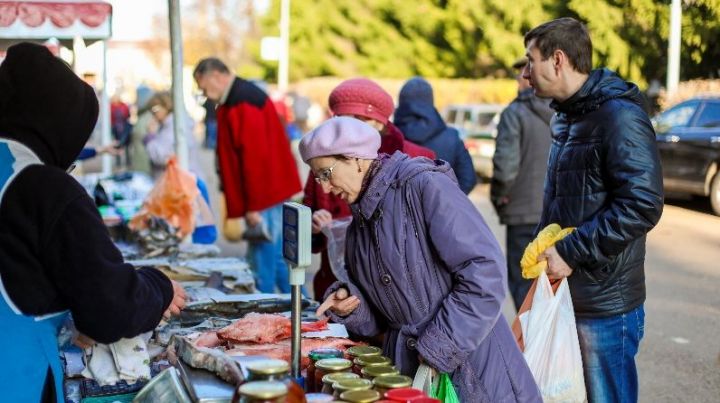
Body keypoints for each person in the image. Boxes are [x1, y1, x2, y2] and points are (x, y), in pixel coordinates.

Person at [302, 117, 541, 402]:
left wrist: (438, 346)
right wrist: (351, 306)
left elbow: (486, 273)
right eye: (318, 178)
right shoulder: (358, 227)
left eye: (327, 173)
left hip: (476, 369)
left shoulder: (423, 186)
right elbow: (383, 321)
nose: (325, 188)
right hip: (413, 375)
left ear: (355, 159)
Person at [0, 42, 186, 403]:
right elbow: (111, 308)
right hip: (14, 378)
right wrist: (159, 286)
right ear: (59, 123)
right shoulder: (41, 184)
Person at [522, 18, 664, 402]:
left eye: (529, 61)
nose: (524, 73)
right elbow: (562, 205)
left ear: (558, 60)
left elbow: (643, 204)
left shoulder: (619, 116)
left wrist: (570, 251)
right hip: (569, 294)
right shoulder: (567, 116)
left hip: (606, 304)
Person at [303, 78, 436, 299]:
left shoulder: (417, 159)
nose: (339, 134)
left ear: (375, 121)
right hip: (334, 288)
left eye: (349, 124)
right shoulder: (324, 163)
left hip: (397, 294)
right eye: (336, 123)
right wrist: (314, 228)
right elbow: (304, 227)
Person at [193, 58, 302, 293]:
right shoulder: (239, 97)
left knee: (262, 264)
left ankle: (266, 318)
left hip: (265, 195)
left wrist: (253, 206)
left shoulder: (242, 101)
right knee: (280, 261)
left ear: (216, 76)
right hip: (270, 192)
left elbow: (255, 158)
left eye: (203, 87)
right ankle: (306, 311)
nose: (204, 93)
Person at [490, 57, 554, 311]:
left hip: (522, 212)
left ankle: (527, 345)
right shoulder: (563, 111)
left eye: (520, 75)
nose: (518, 80)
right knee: (551, 282)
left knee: (522, 283)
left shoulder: (514, 113)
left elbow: (506, 168)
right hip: (556, 211)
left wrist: (499, 197)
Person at [394, 76, 477, 194]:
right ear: (431, 101)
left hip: (397, 211)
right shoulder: (451, 137)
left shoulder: (390, 136)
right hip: (443, 208)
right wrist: (447, 203)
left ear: (401, 101)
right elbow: (468, 179)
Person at [143, 91, 203, 179]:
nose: (153, 114)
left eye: (155, 110)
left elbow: (160, 157)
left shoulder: (172, 127)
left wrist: (150, 137)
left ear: (165, 107)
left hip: (178, 181)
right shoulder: (174, 123)